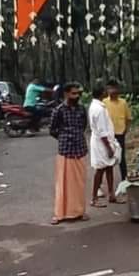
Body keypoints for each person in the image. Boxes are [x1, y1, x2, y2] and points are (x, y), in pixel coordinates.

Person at [49, 82, 89, 224]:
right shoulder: (59, 110)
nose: (76, 96)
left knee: (79, 183)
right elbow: (52, 130)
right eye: (73, 93)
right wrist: (64, 137)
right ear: (66, 94)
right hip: (65, 150)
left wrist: (76, 135)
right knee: (63, 183)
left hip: (80, 149)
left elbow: (84, 126)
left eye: (78, 93)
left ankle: (79, 212)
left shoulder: (82, 109)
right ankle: (59, 214)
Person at [88, 84, 124, 207]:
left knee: (109, 167)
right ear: (102, 93)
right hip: (102, 142)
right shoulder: (99, 109)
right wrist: (108, 147)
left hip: (103, 140)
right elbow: (102, 131)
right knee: (100, 168)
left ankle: (111, 194)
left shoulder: (97, 106)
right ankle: (94, 198)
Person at [103, 79, 132, 181]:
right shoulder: (104, 103)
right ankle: (106, 182)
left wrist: (126, 129)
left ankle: (124, 179)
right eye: (110, 88)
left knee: (121, 158)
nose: (112, 91)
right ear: (107, 89)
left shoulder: (123, 102)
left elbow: (128, 118)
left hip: (120, 133)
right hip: (108, 134)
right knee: (107, 158)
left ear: (118, 89)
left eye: (114, 88)